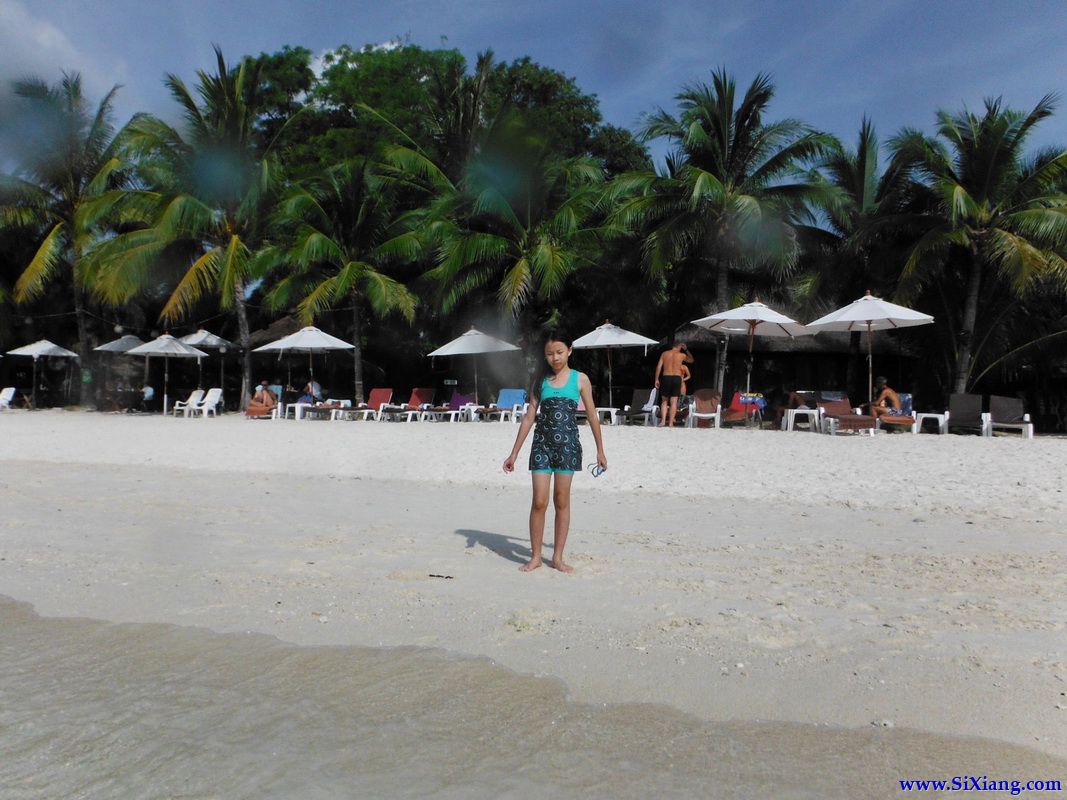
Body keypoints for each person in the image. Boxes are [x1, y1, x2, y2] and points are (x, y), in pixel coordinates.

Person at [503, 330, 607, 574]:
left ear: (570, 351)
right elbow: (529, 417)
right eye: (550, 354)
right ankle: (535, 557)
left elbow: (592, 415)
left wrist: (600, 451)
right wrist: (514, 453)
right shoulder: (540, 381)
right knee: (539, 501)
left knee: (561, 501)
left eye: (559, 352)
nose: (555, 358)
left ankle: (557, 558)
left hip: (568, 448)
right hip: (541, 446)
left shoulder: (580, 379)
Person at [654, 341, 694, 427]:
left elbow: (659, 367)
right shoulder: (682, 355)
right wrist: (686, 350)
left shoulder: (664, 354)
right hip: (676, 378)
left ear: (673, 346)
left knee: (664, 401)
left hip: (666, 377)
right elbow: (691, 360)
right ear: (680, 346)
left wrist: (656, 379)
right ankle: (671, 423)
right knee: (674, 402)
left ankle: (663, 421)